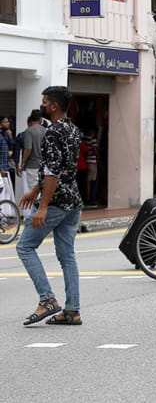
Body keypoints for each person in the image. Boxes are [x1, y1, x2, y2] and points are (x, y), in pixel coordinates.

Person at [16, 87, 83, 326]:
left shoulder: (52, 132)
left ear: (54, 106)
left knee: (24, 247)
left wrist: (42, 206)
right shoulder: (73, 129)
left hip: (56, 202)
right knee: (67, 256)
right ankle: (72, 310)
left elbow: (53, 171)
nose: (42, 105)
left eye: (45, 102)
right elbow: (62, 167)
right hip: (73, 200)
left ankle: (47, 300)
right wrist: (35, 190)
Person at [18, 111, 45, 195]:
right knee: (42, 191)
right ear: (41, 119)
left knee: (33, 192)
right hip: (43, 166)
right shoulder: (45, 130)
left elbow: (28, 149)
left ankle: (36, 208)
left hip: (32, 165)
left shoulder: (29, 131)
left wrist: (23, 162)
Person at [82, 127, 99, 207]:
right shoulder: (92, 139)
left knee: (87, 182)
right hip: (92, 162)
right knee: (93, 181)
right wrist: (99, 159)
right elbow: (95, 150)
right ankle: (91, 200)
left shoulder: (83, 138)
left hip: (86, 162)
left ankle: (86, 199)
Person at [1, 115, 14, 190]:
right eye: (5, 122)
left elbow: (11, 148)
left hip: (5, 167)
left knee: (6, 192)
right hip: (1, 168)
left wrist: (10, 136)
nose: (8, 123)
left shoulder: (5, 134)